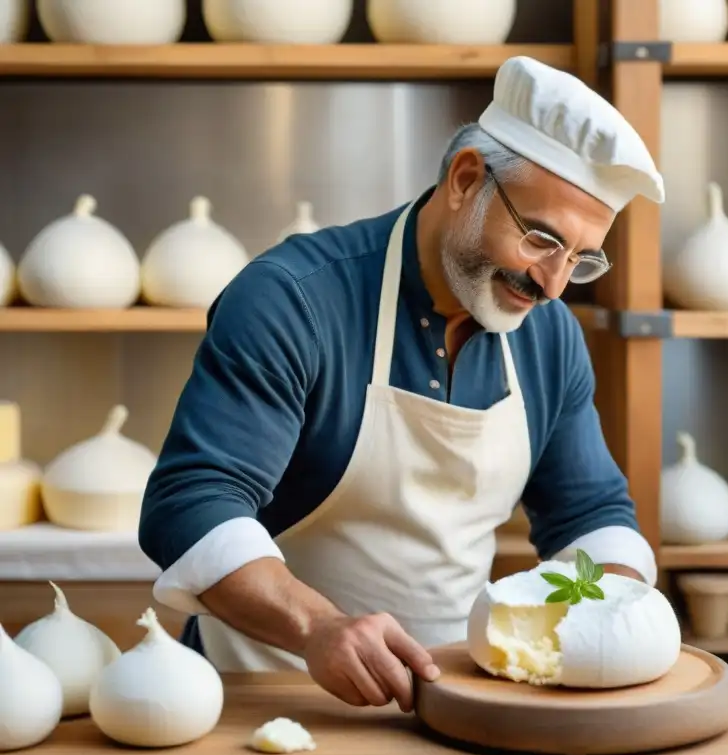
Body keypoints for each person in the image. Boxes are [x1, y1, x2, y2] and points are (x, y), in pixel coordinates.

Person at [138, 55, 665, 713]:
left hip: (454, 704)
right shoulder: (293, 302)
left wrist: (611, 624)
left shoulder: (549, 337)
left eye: (580, 260)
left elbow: (591, 516)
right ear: (465, 179)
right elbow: (190, 503)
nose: (553, 284)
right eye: (539, 239)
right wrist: (318, 629)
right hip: (266, 690)